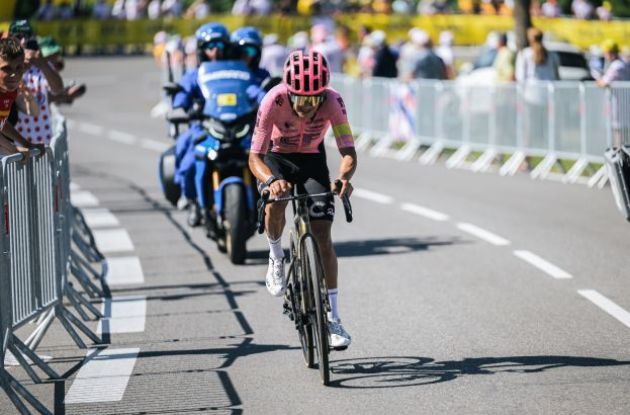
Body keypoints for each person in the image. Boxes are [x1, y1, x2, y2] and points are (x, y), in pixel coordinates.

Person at [248, 50, 357, 349]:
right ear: (289, 92)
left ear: (323, 94)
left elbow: (348, 151)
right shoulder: (274, 99)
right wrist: (270, 181)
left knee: (323, 235)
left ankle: (334, 318)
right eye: (300, 100)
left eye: (313, 101)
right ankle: (276, 255)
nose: (306, 108)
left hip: (311, 159)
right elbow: (254, 157)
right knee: (276, 201)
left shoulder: (334, 101)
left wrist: (344, 178)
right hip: (277, 158)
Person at [172, 23, 230, 226]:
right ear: (201, 49)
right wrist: (181, 106)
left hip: (235, 127)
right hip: (203, 127)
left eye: (220, 45)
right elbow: (182, 94)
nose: (215, 50)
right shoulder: (195, 75)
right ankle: (192, 200)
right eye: (209, 45)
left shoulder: (235, 71)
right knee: (187, 158)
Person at [9, 20, 64, 147]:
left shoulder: (40, 63)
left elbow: (58, 89)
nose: (23, 41)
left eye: (27, 37)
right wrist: (21, 68)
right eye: (18, 37)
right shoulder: (5, 65)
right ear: (10, 39)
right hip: (17, 145)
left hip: (43, 141)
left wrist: (42, 63)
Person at [0, 37, 34, 159]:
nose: (14, 74)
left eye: (19, 67)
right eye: (6, 68)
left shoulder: (11, 90)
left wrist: (26, 143)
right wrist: (13, 150)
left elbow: (1, 123)